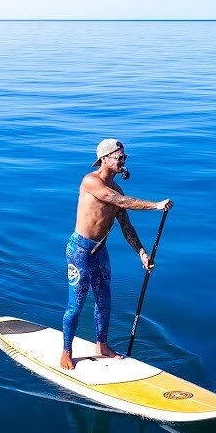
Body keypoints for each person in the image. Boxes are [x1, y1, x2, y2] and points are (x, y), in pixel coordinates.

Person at [60, 138, 172, 371]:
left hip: (100, 251)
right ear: (104, 159)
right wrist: (155, 205)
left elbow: (125, 225)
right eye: (119, 157)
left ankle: (102, 345)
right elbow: (121, 202)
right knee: (76, 305)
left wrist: (141, 252)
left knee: (104, 300)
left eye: (125, 158)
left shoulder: (116, 187)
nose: (123, 161)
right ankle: (66, 351)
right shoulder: (91, 182)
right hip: (80, 251)